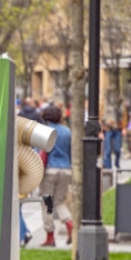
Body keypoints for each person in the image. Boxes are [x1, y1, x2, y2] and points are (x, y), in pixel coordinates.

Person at [38, 104, 73, 247]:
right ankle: (69, 223)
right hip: (66, 170)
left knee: (47, 202)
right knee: (58, 201)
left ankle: (50, 236)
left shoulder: (46, 131)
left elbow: (43, 153)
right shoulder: (67, 131)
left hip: (50, 170)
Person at [102, 102, 124, 170]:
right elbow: (101, 118)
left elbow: (124, 116)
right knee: (108, 150)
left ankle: (117, 163)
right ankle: (109, 168)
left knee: (117, 150)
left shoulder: (119, 103)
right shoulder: (104, 103)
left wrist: (124, 127)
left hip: (117, 129)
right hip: (108, 129)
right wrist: (101, 131)